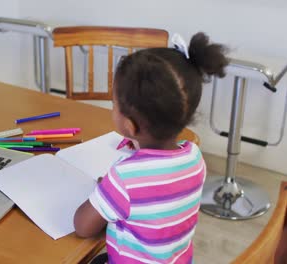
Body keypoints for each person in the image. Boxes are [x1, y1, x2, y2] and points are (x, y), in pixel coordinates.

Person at [74, 32, 229, 264]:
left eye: (113, 103)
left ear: (129, 125)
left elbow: (83, 227)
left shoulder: (124, 177)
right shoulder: (195, 157)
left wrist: (107, 191)